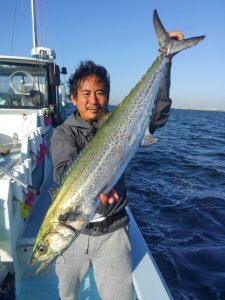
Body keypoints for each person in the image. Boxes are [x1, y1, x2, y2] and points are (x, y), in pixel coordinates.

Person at [51, 32, 182, 300]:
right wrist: (91, 190)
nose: (93, 100)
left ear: (107, 97)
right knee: (67, 295)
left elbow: (158, 115)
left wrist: (166, 61)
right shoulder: (63, 133)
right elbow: (64, 172)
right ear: (73, 98)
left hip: (113, 231)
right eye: (85, 93)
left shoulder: (120, 121)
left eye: (99, 93)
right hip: (74, 237)